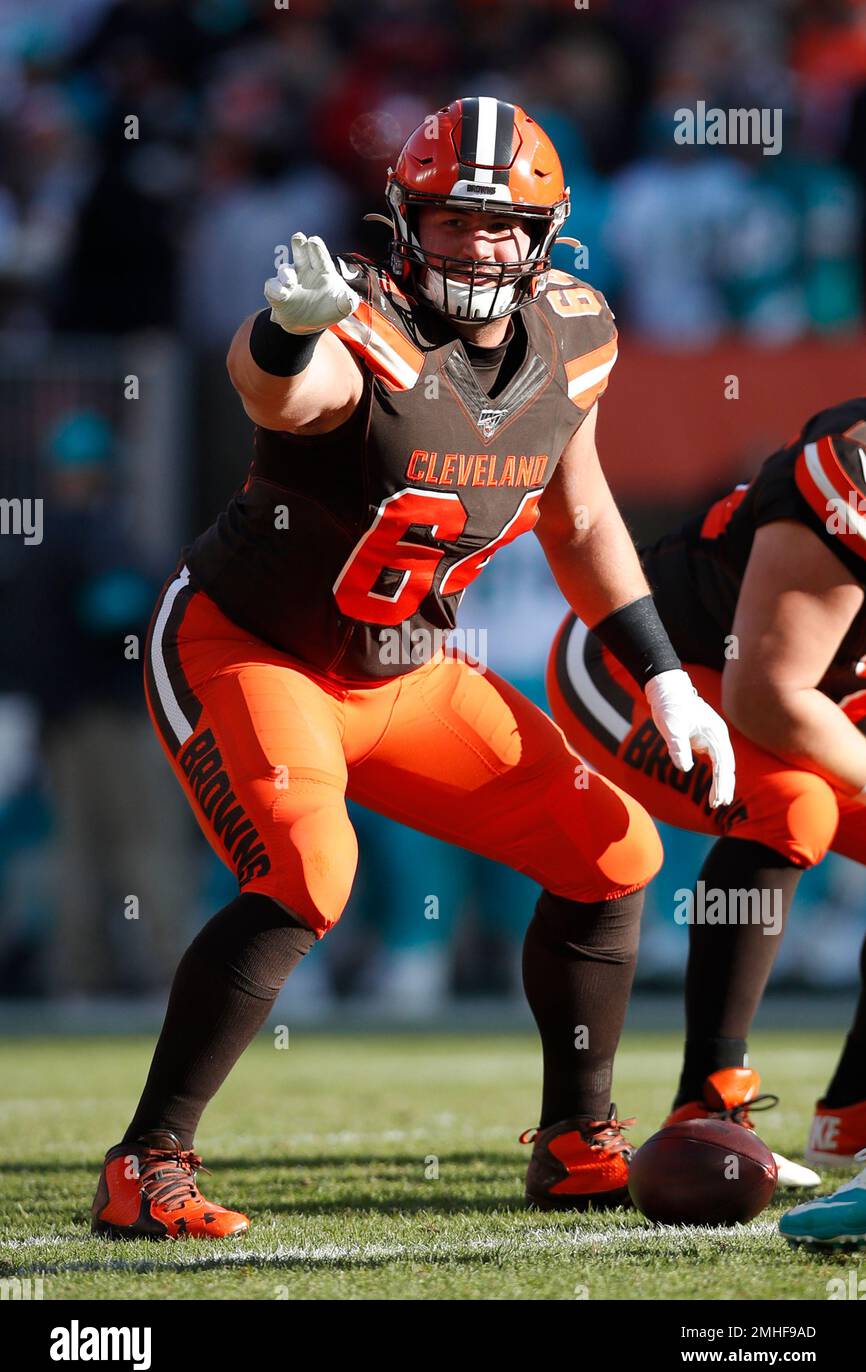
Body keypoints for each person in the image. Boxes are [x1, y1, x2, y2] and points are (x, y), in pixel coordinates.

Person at [91, 97, 733, 1239]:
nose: (473, 247)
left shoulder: (577, 332)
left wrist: (665, 675)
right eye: (447, 223)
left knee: (613, 849)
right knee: (310, 874)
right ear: (405, 222)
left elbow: (578, 518)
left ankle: (576, 1139)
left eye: (498, 226)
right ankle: (147, 1161)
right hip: (251, 650)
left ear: (544, 233)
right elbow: (278, 388)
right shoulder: (358, 322)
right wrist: (289, 327)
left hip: (401, 673)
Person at [547, 399, 866, 1242]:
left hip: (797, 686)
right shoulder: (852, 474)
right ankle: (710, 1094)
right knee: (792, 806)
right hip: (646, 671)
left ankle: (852, 1114)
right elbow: (769, 697)